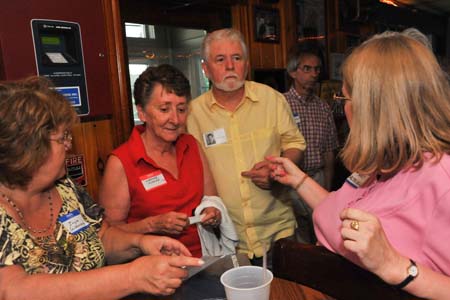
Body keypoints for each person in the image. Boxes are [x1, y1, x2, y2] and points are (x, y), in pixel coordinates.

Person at [269, 28, 450, 298]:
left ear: (377, 107)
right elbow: (340, 212)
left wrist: (395, 265)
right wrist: (299, 179)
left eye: (346, 98)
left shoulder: (441, 181)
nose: (344, 108)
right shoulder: (380, 163)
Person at [0, 76, 204, 299]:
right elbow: (14, 290)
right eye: (62, 138)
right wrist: (132, 276)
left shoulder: (66, 189)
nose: (69, 145)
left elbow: (102, 237)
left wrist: (141, 243)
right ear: (29, 147)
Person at [187, 28, 306, 267]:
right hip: (225, 238)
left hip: (277, 233)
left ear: (247, 65)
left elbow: (295, 145)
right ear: (205, 69)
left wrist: (276, 171)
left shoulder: (272, 100)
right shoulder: (192, 114)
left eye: (237, 58)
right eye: (220, 60)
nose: (230, 66)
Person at [99, 64, 226, 258]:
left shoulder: (192, 146)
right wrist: (153, 225)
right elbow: (109, 235)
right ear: (141, 112)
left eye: (181, 109)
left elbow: (212, 199)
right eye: (164, 109)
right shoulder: (121, 162)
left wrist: (213, 212)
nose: (175, 119)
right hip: (152, 270)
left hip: (203, 261)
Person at [284, 41, 339, 243]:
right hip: (290, 183)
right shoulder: (280, 104)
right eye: (307, 69)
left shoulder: (324, 108)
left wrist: (329, 187)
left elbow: (329, 151)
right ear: (293, 72)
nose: (313, 74)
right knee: (299, 238)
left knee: (323, 236)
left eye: (316, 69)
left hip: (318, 179)